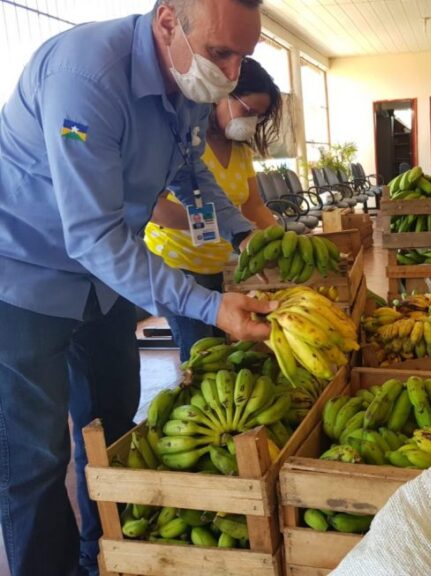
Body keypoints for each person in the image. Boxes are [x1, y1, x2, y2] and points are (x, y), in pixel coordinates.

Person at [0, 1, 276, 574]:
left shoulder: (187, 83)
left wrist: (245, 233)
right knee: (33, 457)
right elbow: (93, 235)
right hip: (24, 276)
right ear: (169, 21)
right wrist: (208, 305)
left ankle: (101, 556)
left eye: (242, 57)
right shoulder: (86, 77)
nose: (229, 73)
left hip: (101, 285)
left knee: (113, 423)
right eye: (221, 52)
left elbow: (189, 171)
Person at [145, 57, 281, 361]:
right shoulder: (186, 144)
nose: (252, 121)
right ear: (221, 95)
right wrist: (208, 223)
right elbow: (154, 207)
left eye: (259, 116)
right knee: (201, 354)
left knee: (219, 348)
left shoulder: (241, 152)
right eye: (248, 111)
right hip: (176, 263)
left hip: (212, 264)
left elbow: (253, 205)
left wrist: (277, 241)